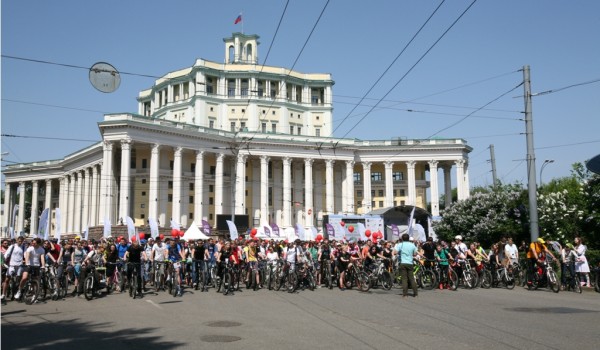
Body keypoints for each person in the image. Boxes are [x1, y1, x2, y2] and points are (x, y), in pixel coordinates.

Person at [395, 233, 418, 297]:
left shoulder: (400, 244)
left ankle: (405, 294)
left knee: (404, 279)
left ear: (402, 238)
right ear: (408, 238)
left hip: (403, 263)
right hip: (410, 263)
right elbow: (415, 254)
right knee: (411, 278)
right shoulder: (412, 245)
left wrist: (400, 252)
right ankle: (415, 293)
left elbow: (395, 252)